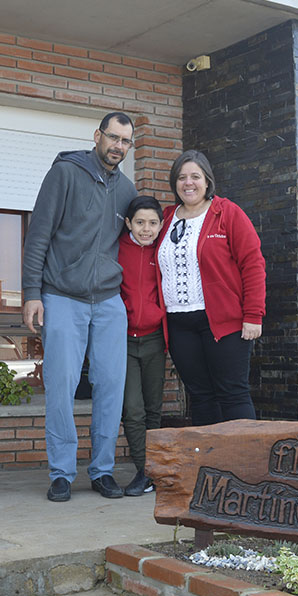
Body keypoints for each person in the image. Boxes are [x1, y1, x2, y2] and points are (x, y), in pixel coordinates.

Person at [22, 112, 138, 502]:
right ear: (97, 136)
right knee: (61, 388)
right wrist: (31, 293)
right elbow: (38, 235)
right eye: (113, 137)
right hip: (62, 296)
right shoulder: (65, 175)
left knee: (111, 389)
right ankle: (61, 473)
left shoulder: (127, 191)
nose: (118, 146)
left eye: (126, 141)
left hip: (108, 302)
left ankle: (103, 471)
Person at [156, 149, 266, 426]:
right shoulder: (166, 218)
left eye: (195, 176)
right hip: (179, 323)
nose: (188, 183)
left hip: (222, 321)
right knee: (200, 396)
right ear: (174, 183)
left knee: (233, 394)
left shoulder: (227, 213)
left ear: (207, 181)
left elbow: (252, 264)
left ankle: (243, 464)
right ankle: (210, 463)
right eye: (181, 177)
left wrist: (253, 315)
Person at [117, 195, 165, 496]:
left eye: (152, 223)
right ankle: (144, 471)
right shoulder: (116, 249)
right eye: (140, 222)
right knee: (132, 409)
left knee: (153, 409)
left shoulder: (164, 250)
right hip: (122, 340)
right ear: (128, 223)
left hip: (156, 339)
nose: (146, 229)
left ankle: (153, 473)